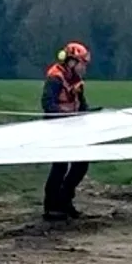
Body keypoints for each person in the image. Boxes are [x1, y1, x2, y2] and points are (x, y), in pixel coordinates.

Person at [41, 41, 91, 221]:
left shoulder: (77, 81)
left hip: (73, 127)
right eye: (82, 63)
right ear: (72, 62)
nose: (84, 68)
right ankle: (51, 207)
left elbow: (82, 104)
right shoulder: (55, 78)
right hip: (56, 128)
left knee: (81, 163)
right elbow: (48, 104)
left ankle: (65, 199)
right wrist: (64, 117)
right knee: (60, 166)